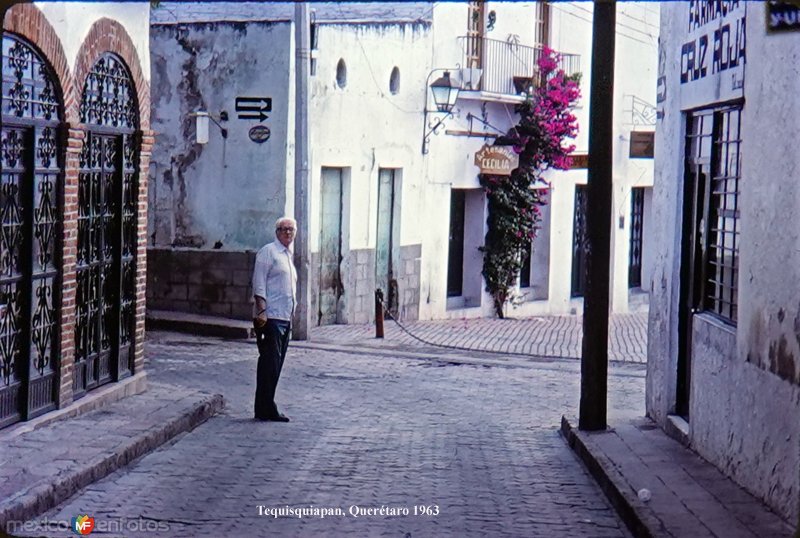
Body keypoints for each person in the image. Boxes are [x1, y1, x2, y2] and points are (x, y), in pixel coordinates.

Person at [251, 216, 298, 422]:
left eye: (291, 230)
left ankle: (267, 405)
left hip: (285, 317)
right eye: (283, 229)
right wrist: (262, 312)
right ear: (276, 232)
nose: (287, 233)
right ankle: (265, 407)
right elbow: (259, 284)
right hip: (271, 318)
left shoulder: (287, 255)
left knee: (276, 365)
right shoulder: (268, 252)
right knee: (269, 364)